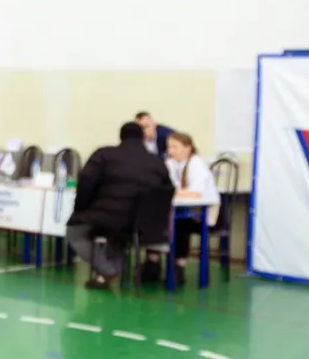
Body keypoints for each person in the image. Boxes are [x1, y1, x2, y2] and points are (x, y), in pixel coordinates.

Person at [67, 122, 176, 290]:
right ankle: (108, 274)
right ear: (141, 138)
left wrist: (80, 209)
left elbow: (86, 182)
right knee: (119, 237)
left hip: (107, 217)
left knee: (75, 231)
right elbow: (167, 190)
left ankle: (108, 271)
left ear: (121, 136)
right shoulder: (157, 162)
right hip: (143, 225)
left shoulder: (104, 154)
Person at [163, 132, 220, 283]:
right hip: (187, 210)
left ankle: (179, 266)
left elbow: (196, 193)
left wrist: (174, 192)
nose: (170, 151)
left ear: (188, 148)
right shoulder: (174, 163)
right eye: (169, 147)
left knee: (179, 224)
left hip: (206, 214)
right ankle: (155, 263)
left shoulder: (196, 163)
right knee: (167, 220)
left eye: (175, 147)